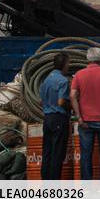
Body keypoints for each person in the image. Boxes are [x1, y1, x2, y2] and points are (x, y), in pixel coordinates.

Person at [70, 47, 100, 180]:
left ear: (87, 59)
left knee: (86, 154)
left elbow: (72, 96)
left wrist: (79, 117)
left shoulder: (78, 75)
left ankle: (87, 186)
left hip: (85, 121)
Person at [40, 52, 71, 180]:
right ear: (64, 65)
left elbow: (40, 101)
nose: (68, 66)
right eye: (68, 63)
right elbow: (61, 102)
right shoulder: (63, 81)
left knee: (47, 151)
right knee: (58, 152)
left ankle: (46, 181)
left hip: (47, 119)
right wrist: (72, 107)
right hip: (58, 118)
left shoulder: (46, 80)